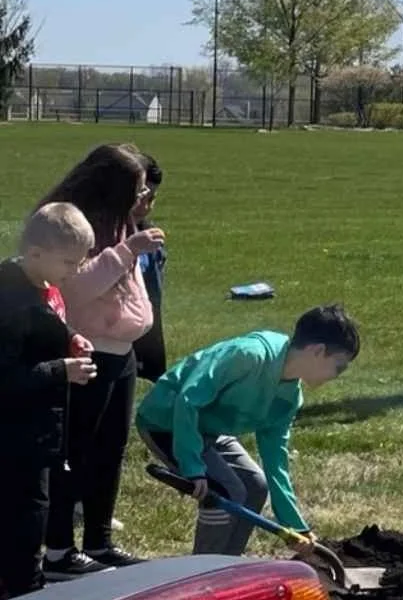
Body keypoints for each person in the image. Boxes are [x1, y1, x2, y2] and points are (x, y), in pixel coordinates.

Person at [135, 304, 361, 555]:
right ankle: (203, 569)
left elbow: (276, 461)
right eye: (339, 366)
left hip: (208, 431)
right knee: (225, 491)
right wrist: (192, 465)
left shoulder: (288, 399)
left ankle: (229, 564)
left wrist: (295, 525)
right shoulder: (249, 355)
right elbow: (188, 400)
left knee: (256, 485)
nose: (338, 375)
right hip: (167, 422)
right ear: (318, 351)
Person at [37, 143, 160, 575]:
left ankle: (99, 541)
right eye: (137, 189)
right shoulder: (75, 227)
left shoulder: (121, 223)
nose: (143, 197)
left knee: (110, 452)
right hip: (89, 351)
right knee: (76, 452)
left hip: (121, 353)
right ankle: (58, 550)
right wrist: (128, 250)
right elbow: (75, 289)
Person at [0, 205, 98, 600]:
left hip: (39, 429)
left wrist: (69, 337)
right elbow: (6, 377)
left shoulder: (41, 284)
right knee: (24, 516)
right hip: (13, 436)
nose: (75, 271)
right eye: (69, 263)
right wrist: (62, 370)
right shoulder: (11, 303)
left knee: (34, 510)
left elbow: (47, 325)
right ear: (36, 252)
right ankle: (23, 592)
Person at [130, 152, 168, 382]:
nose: (144, 207)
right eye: (140, 197)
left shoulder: (150, 242)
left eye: (151, 199)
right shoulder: (94, 236)